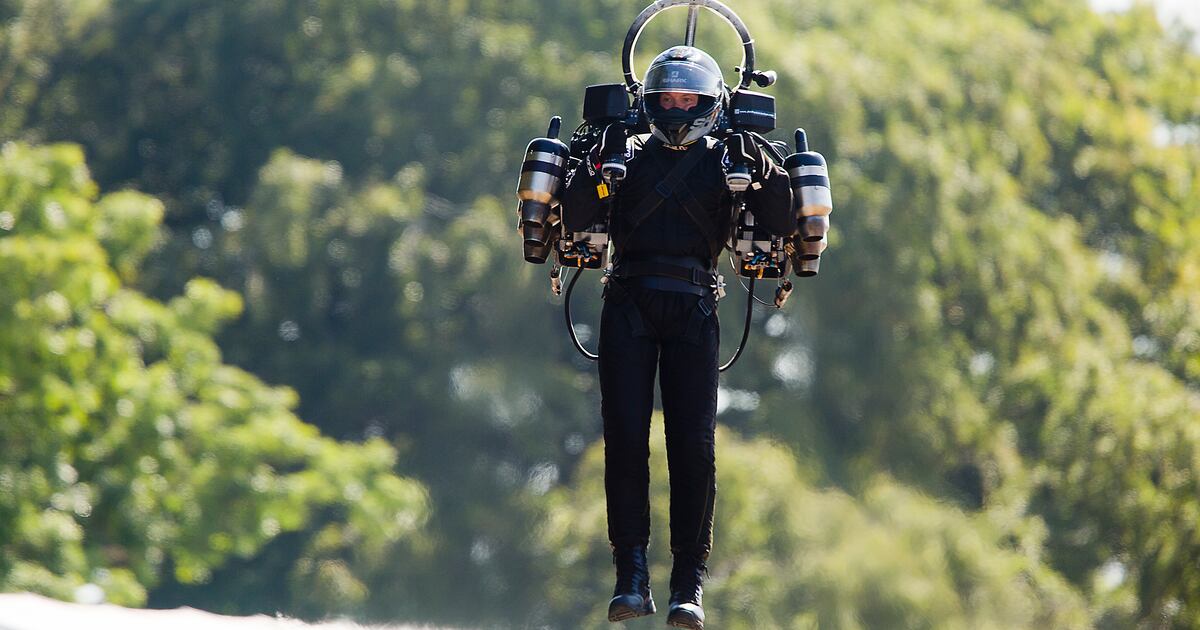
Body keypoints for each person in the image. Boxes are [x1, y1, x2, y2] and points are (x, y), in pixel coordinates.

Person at [560, 46, 794, 629]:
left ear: (710, 102)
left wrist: (761, 169)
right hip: (628, 305)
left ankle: (689, 584)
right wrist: (597, 168)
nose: (675, 107)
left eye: (688, 98)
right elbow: (571, 212)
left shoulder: (731, 160)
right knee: (625, 442)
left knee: (695, 449)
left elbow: (785, 220)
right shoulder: (622, 154)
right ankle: (630, 577)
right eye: (666, 97)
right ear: (650, 98)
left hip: (694, 309)